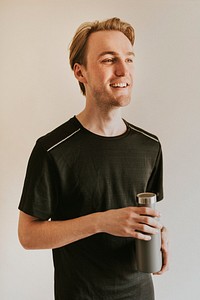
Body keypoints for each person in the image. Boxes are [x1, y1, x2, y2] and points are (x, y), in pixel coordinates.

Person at [18, 17, 169, 300]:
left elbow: (140, 219)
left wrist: (159, 236)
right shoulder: (52, 149)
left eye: (129, 59)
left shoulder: (150, 146)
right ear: (80, 72)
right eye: (108, 60)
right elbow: (28, 235)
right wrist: (101, 222)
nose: (123, 70)